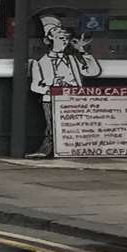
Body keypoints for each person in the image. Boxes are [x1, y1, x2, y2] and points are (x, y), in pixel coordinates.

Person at [29, 13, 103, 157]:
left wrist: (82, 51)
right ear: (49, 39)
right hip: (51, 100)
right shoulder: (40, 62)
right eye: (60, 38)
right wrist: (53, 90)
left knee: (75, 126)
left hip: (74, 98)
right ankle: (45, 151)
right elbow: (35, 86)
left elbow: (93, 71)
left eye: (66, 38)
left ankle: (76, 149)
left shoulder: (73, 59)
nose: (64, 41)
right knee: (52, 127)